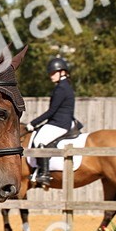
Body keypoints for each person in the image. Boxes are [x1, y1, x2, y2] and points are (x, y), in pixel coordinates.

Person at [25, 56, 76, 187]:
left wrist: (33, 123)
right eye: (50, 73)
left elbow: (51, 111)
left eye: (53, 73)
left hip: (59, 123)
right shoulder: (65, 86)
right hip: (61, 122)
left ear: (62, 72)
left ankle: (45, 174)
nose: (51, 75)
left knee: (39, 140)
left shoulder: (61, 88)